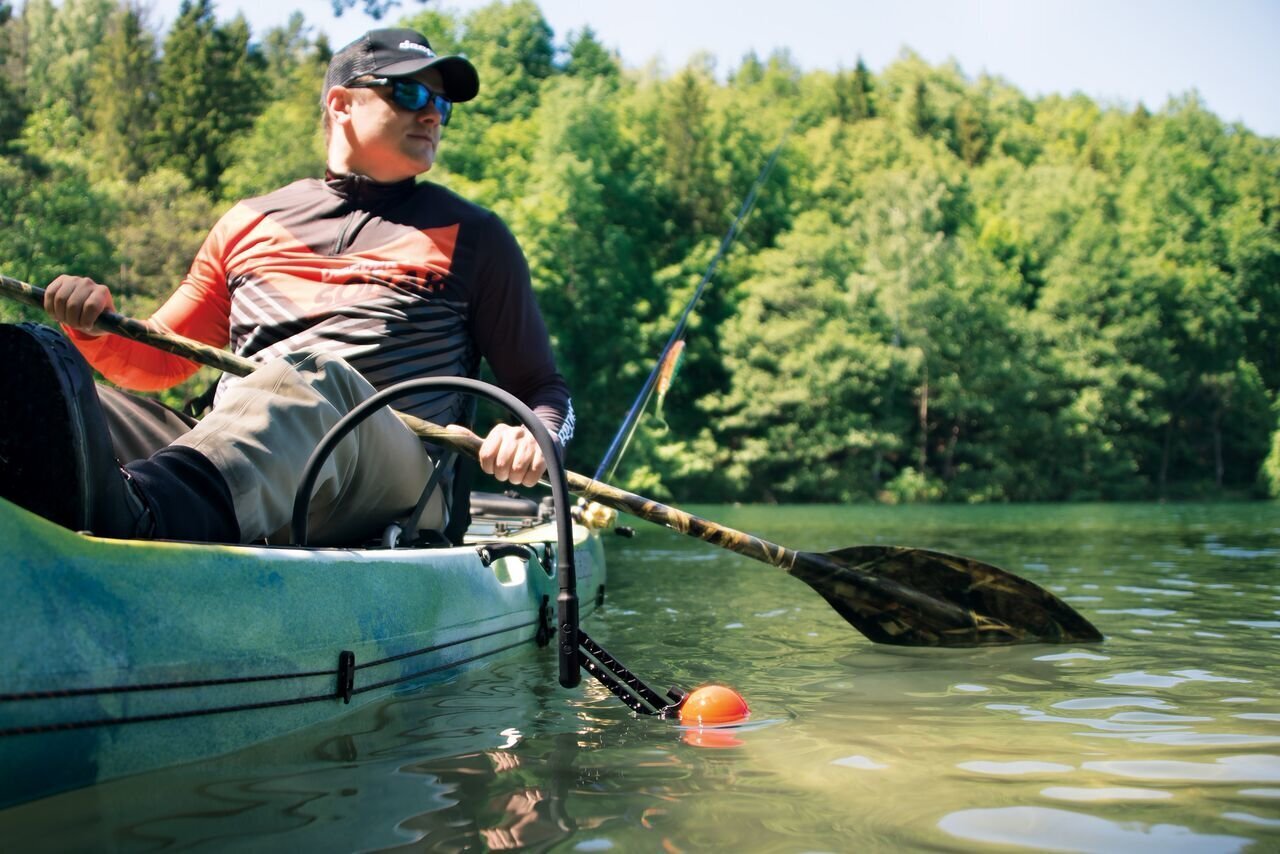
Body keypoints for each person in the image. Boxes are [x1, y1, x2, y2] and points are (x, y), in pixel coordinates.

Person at [0, 28, 574, 546]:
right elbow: (159, 361)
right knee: (57, 394)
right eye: (411, 95)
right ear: (341, 104)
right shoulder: (249, 222)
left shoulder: (476, 238)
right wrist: (90, 327)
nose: (433, 116)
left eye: (441, 104)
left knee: (311, 374)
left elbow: (546, 389)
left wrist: (534, 434)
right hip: (238, 453)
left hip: (396, 484)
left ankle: (145, 520)